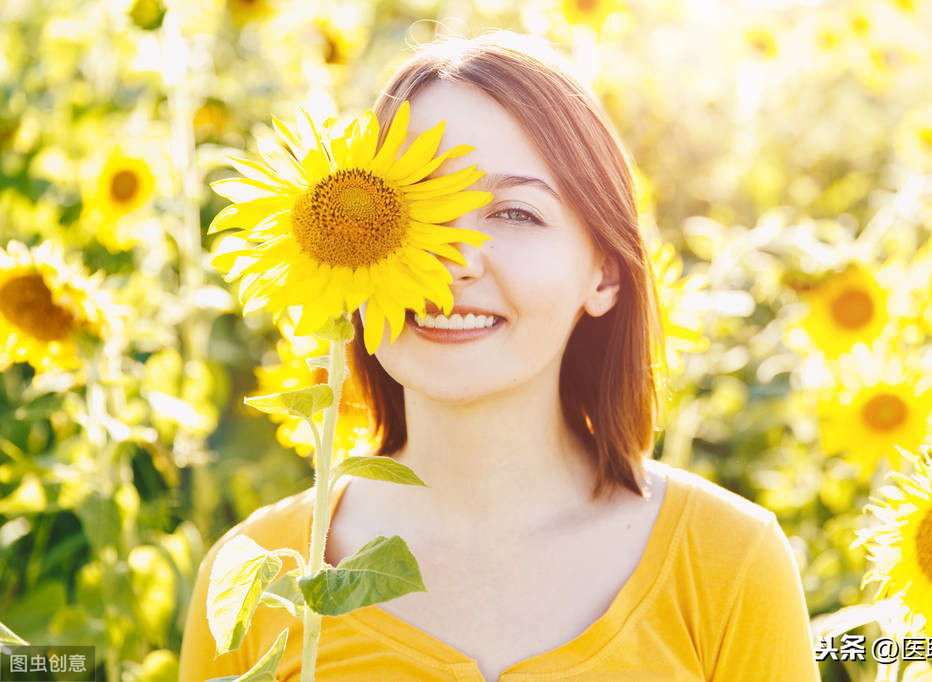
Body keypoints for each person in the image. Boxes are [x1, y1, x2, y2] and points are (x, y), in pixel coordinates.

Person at [179, 29, 821, 682]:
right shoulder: (253, 577)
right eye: (407, 207)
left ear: (605, 272)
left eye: (514, 214)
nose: (449, 260)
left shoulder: (726, 562)